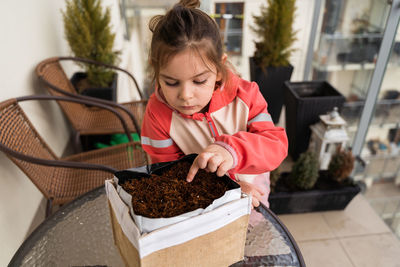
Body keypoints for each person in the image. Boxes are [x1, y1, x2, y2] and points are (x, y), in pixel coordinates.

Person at [141, 0, 288, 207]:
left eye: (199, 81)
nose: (186, 95)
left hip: (252, 188)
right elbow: (169, 174)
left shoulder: (246, 96)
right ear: (155, 69)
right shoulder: (157, 114)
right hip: (202, 199)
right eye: (171, 82)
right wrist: (229, 188)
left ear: (219, 68)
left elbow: (275, 146)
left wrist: (232, 151)